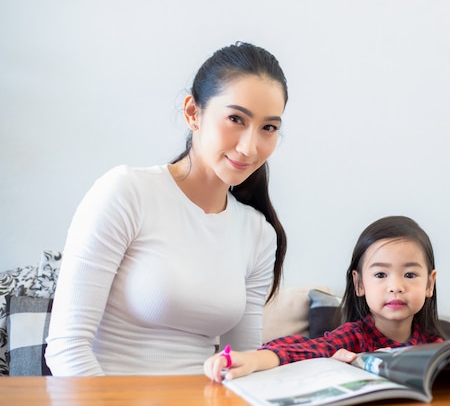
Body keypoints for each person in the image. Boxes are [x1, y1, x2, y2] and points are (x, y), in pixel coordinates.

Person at [45, 42, 289, 376]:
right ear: (193, 112)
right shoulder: (127, 192)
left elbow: (241, 364)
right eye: (235, 118)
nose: (250, 146)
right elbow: (66, 349)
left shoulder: (259, 234)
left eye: (268, 128)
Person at [205, 215, 445, 382]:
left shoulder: (435, 344)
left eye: (410, 274)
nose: (396, 286)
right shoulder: (352, 337)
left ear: (429, 283)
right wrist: (251, 360)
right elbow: (301, 350)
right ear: (359, 283)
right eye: (381, 274)